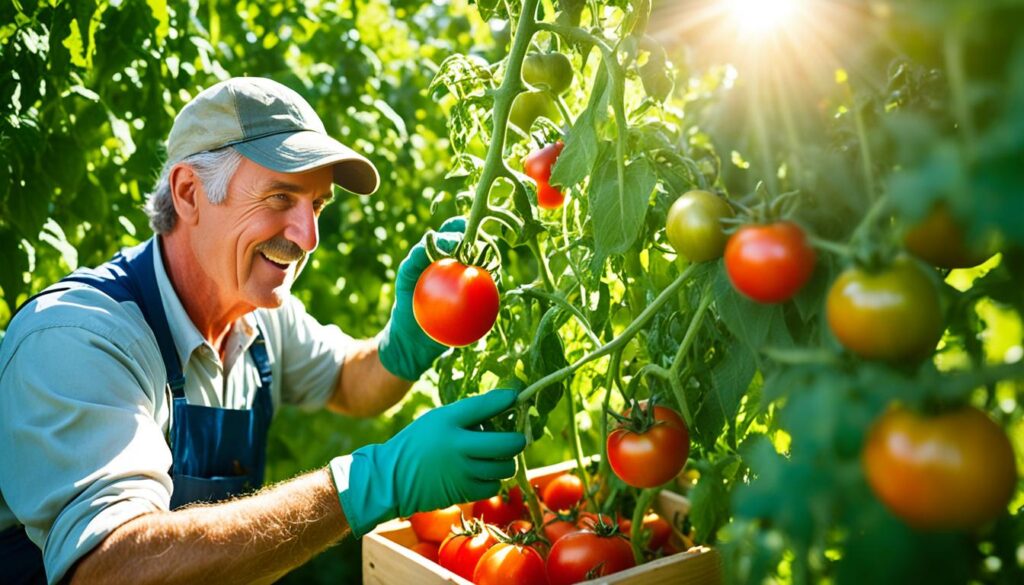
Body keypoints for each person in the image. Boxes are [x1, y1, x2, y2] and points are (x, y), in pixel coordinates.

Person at [0, 77, 526, 584]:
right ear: (189, 192)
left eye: (316, 204)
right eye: (280, 197)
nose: (308, 235)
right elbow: (108, 571)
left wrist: (410, 339)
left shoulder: (259, 315)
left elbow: (349, 383)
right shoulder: (79, 339)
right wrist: (365, 484)